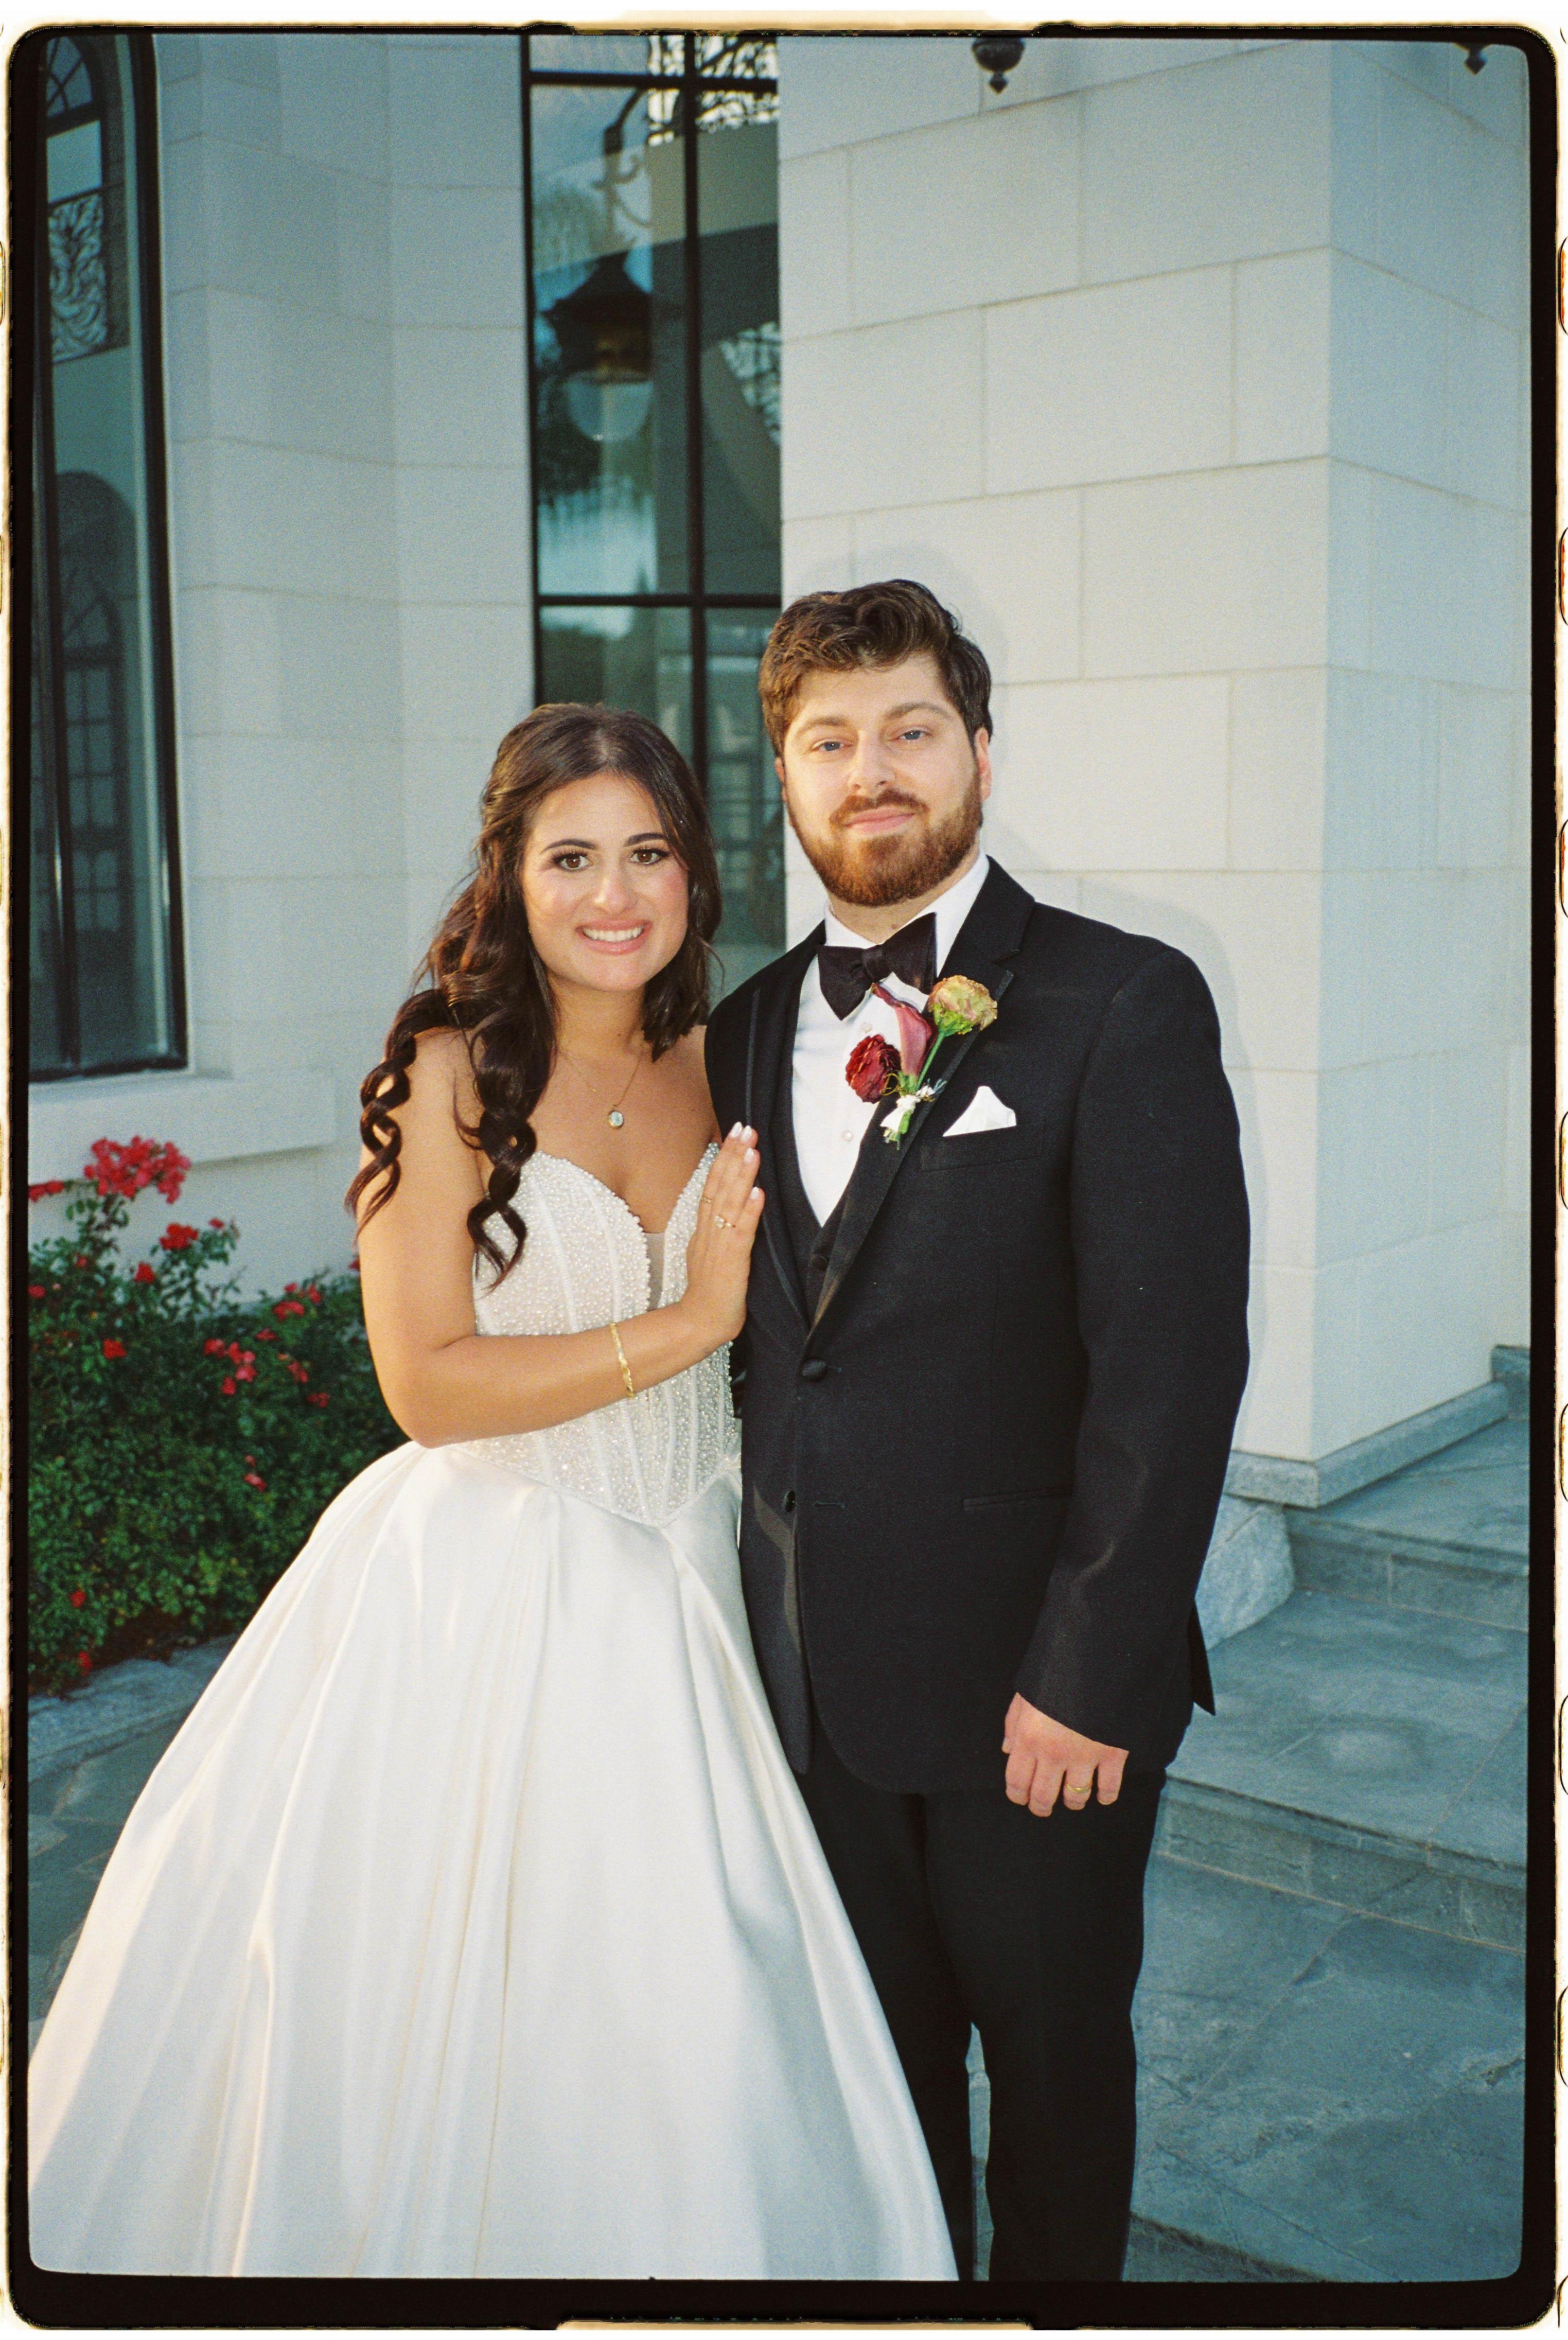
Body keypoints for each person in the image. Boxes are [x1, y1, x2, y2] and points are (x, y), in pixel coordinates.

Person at [27, 702, 956, 2282]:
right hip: (492, 1596)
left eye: (647, 852)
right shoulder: (449, 1073)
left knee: (700, 2022)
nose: (615, 892)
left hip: (705, 1587)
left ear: (694, 871)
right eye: (571, 856)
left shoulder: (725, 1060)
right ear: (510, 876)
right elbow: (428, 1384)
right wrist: (686, 1322)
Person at [704, 580, 1252, 2283]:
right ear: (785, 776)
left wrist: (1091, 1669)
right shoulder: (737, 1029)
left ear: (983, 754)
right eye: (830, 741)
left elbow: (1171, 1370)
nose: (870, 771)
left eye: (911, 730)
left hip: (1037, 1699)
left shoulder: (1122, 999)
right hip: (811, 1692)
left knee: (1059, 2083)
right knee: (879, 2099)